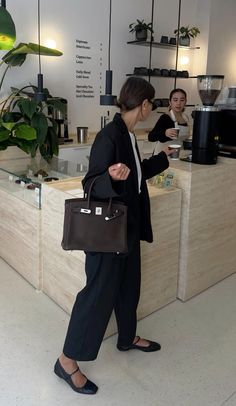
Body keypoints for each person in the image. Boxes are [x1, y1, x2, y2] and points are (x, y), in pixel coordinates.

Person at [54, 76, 174, 395]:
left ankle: (127, 337)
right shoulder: (109, 136)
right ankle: (66, 361)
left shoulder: (130, 136)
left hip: (127, 231)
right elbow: (90, 184)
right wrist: (109, 177)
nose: (151, 108)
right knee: (96, 295)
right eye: (152, 103)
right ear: (144, 104)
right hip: (107, 234)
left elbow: (133, 177)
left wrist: (163, 159)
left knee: (128, 288)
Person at [148, 88, 190, 154]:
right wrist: (165, 133)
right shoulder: (165, 117)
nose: (178, 103)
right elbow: (151, 136)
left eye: (182, 100)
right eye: (175, 100)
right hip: (162, 155)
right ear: (170, 102)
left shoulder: (186, 118)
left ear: (185, 102)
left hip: (178, 154)